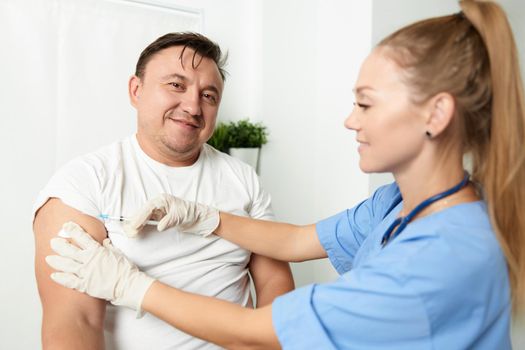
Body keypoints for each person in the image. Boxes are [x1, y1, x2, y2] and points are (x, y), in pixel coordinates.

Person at [45, 1, 525, 348]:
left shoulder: (442, 257)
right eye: (175, 84)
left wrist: (132, 286)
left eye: (365, 103)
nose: (350, 120)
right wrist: (205, 218)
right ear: (136, 89)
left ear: (436, 114)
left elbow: (265, 332)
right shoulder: (395, 204)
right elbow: (296, 241)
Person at [33, 32, 294, 349]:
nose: (193, 106)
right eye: (176, 85)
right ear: (136, 90)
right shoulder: (83, 183)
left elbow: (274, 281)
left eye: (209, 96)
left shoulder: (242, 178)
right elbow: (74, 323)